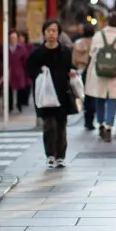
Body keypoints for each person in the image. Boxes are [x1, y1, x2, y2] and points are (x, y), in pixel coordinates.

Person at [27, 20, 76, 168]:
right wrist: (39, 72)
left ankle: (61, 155)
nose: (51, 34)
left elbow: (70, 67)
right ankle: (50, 155)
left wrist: (72, 72)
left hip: (62, 93)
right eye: (48, 31)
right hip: (44, 94)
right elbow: (30, 70)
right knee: (49, 125)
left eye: (54, 31)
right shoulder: (37, 53)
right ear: (44, 33)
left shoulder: (66, 52)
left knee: (61, 125)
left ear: (59, 33)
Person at [85, 12, 116, 143]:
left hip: (99, 72)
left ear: (107, 22)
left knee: (100, 97)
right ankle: (109, 127)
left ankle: (100, 124)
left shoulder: (98, 35)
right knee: (112, 99)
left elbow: (92, 53)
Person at [73, 24, 97, 130]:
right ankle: (90, 121)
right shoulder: (96, 44)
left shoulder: (78, 44)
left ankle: (86, 117)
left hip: (81, 71)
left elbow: (73, 60)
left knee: (83, 95)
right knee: (92, 96)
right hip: (93, 71)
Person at [6, 30, 29, 112]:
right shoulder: (5, 48)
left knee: (20, 89)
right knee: (8, 89)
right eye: (11, 38)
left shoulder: (21, 48)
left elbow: (26, 60)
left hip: (19, 71)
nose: (13, 39)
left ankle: (19, 104)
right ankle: (9, 106)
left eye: (15, 38)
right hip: (8, 71)